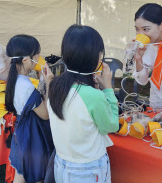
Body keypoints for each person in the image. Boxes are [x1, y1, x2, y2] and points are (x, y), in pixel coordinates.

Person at [48, 25, 119, 183]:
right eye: (101, 54)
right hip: (87, 168)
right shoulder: (94, 96)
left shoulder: (55, 85)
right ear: (94, 57)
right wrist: (108, 88)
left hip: (62, 162)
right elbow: (112, 125)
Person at [5, 35, 55, 183]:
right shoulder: (25, 86)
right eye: (37, 54)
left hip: (22, 131)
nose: (39, 57)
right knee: (35, 174)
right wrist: (48, 83)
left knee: (21, 173)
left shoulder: (16, 80)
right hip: (31, 134)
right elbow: (45, 114)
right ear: (26, 59)